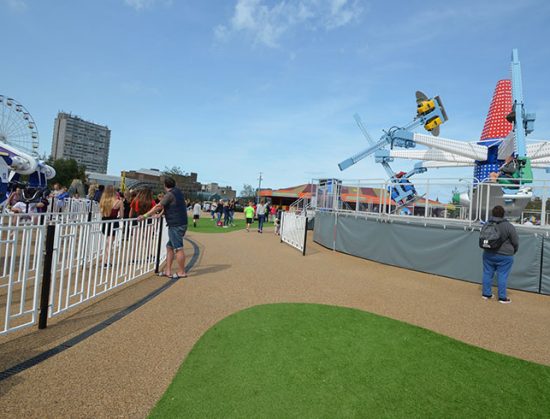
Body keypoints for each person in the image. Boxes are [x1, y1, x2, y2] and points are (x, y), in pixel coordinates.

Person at [138, 177, 188, 279]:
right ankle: (168, 270)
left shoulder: (169, 194)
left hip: (176, 224)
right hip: (179, 223)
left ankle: (181, 272)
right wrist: (161, 214)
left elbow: (159, 206)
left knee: (178, 248)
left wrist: (145, 216)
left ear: (165, 185)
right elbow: (171, 206)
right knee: (169, 247)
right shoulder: (178, 192)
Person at [481, 205, 519, 304]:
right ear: (503, 214)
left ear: (492, 213)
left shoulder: (486, 224)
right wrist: (514, 251)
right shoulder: (508, 226)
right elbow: (515, 241)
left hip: (488, 253)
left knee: (487, 273)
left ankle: (486, 294)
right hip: (505, 255)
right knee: (502, 275)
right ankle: (502, 297)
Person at [99, 185, 122, 267]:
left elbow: (101, 213)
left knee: (107, 242)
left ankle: (104, 259)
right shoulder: (118, 201)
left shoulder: (103, 200)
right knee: (110, 242)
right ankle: (106, 261)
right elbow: (121, 215)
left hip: (105, 221)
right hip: (113, 222)